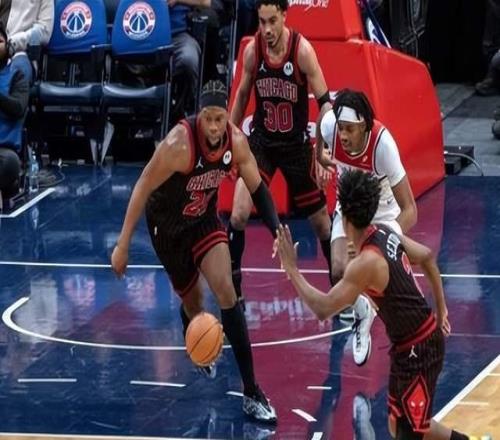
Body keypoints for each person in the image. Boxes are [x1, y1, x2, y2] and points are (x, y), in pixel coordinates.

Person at [111, 80, 278, 423]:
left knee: (227, 291)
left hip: (203, 219)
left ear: (227, 116)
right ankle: (193, 327)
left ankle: (252, 392)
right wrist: (123, 244)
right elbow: (143, 184)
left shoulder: (236, 142)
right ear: (199, 117)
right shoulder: (179, 143)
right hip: (167, 227)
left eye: (219, 119)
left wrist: (278, 230)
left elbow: (258, 188)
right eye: (208, 119)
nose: (214, 127)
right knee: (195, 303)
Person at [276, 169, 470, 440]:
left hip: (420, 349)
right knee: (397, 424)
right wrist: (441, 309)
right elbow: (427, 256)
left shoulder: (366, 263)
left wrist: (293, 270)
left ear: (344, 218)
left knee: (408, 431)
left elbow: (323, 308)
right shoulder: (384, 232)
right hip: (411, 345)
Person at [228, 0, 333, 308]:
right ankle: (234, 291)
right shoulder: (254, 50)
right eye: (261, 22)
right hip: (262, 143)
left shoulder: (302, 51)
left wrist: (323, 150)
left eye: (272, 21)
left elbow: (326, 105)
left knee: (322, 224)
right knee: (238, 214)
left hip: (296, 146)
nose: (267, 29)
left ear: (285, 16)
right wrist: (230, 141)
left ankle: (340, 291)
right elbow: (242, 95)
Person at [315, 88, 417, 366]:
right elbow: (324, 117)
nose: (343, 135)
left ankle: (411, 341)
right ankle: (362, 313)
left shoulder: (383, 146)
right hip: (349, 206)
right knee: (339, 270)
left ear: (364, 127)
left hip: (383, 213)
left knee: (388, 287)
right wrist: (319, 156)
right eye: (341, 128)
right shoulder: (331, 127)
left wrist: (387, 239)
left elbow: (410, 210)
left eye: (349, 129)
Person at [0, 24, 30, 200]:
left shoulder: (16, 76)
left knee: (9, 163)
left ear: (8, 46)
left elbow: (18, 108)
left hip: (3, 151)